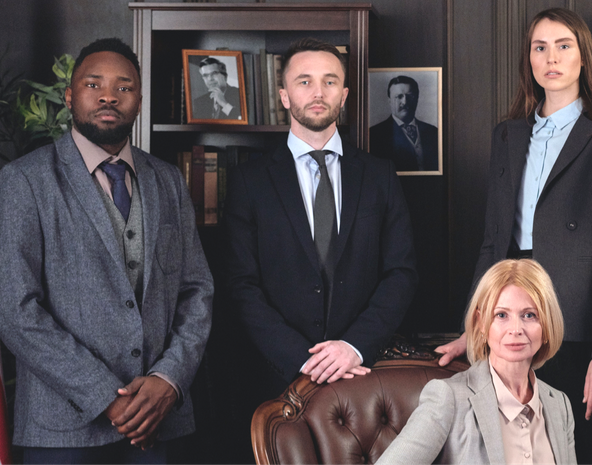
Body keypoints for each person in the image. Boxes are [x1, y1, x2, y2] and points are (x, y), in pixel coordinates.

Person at [433, 8, 592, 463]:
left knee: (579, 450)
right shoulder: (507, 135)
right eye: (539, 47)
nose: (551, 58)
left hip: (578, 325)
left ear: (583, 57)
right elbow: (492, 242)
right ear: (529, 59)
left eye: (564, 46)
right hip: (513, 317)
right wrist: (475, 328)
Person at [0, 38, 213, 464]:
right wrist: (105, 396)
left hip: (158, 422)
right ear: (69, 96)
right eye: (93, 84)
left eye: (124, 86)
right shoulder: (24, 180)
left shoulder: (169, 180)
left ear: (138, 100)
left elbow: (197, 291)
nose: (108, 96)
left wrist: (168, 380)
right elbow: (15, 310)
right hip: (62, 427)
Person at [223, 38, 417, 403]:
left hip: (364, 371)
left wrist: (354, 346)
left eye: (329, 82)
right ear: (284, 96)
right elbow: (240, 285)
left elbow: (401, 273)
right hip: (277, 378)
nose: (318, 92)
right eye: (304, 81)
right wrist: (304, 361)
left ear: (343, 96)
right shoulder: (249, 181)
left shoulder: (380, 176)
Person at [377, 259, 575, 465]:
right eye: (501, 315)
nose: (516, 329)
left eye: (529, 315)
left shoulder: (559, 404)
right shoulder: (448, 398)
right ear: (481, 322)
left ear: (547, 323)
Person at [369, 75, 439, 171]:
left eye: (410, 96)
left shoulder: (433, 132)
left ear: (417, 99)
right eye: (399, 97)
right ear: (389, 101)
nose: (405, 102)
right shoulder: (374, 134)